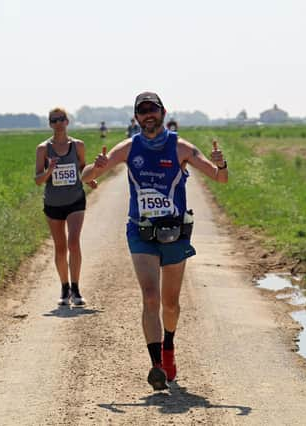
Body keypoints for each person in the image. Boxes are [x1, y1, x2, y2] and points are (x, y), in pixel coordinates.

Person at [82, 91, 228, 390]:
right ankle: (156, 366)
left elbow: (220, 178)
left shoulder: (181, 147)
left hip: (174, 231)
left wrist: (221, 164)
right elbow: (86, 177)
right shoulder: (128, 147)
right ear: (136, 117)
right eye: (142, 110)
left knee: (171, 304)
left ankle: (169, 347)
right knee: (150, 297)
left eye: (153, 109)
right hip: (141, 231)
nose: (148, 114)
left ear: (163, 112)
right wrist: (95, 167)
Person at [35, 107, 96, 307]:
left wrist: (89, 180)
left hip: (75, 200)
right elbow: (38, 180)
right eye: (54, 120)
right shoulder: (43, 149)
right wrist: (49, 170)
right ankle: (64, 287)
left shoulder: (78, 145)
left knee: (73, 243)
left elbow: (82, 169)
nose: (59, 123)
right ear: (50, 124)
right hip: (53, 202)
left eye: (62, 119)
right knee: (60, 248)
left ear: (67, 121)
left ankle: (76, 289)